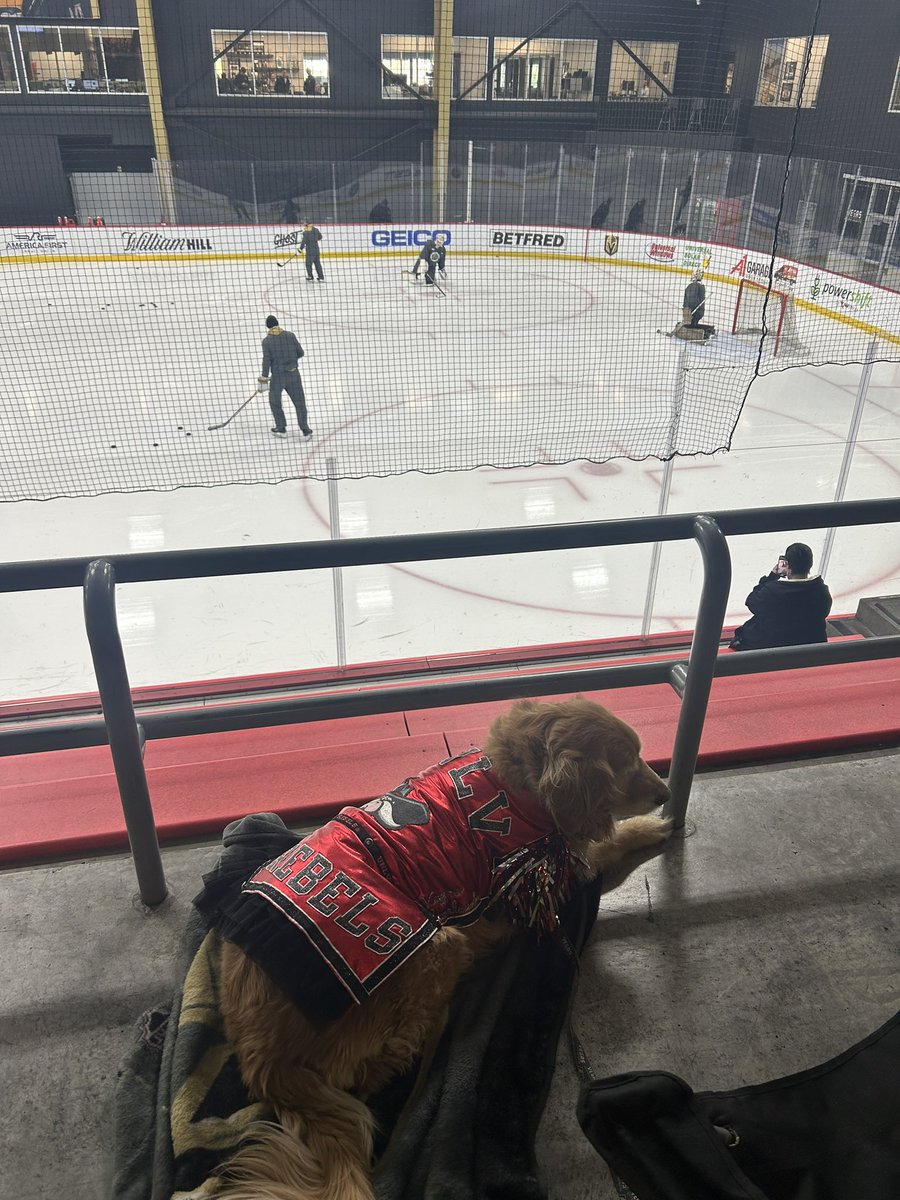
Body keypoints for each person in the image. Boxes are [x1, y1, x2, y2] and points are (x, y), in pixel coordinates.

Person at [729, 543, 832, 651]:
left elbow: (751, 602)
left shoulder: (773, 591)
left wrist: (771, 577)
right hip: (811, 645)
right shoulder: (821, 590)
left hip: (770, 645)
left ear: (786, 564)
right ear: (810, 564)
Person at [258, 315, 312, 439]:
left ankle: (281, 428)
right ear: (278, 323)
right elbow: (301, 352)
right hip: (294, 374)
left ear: (267, 326)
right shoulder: (290, 335)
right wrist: (290, 361)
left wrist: (264, 379)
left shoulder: (267, 341)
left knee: (275, 401)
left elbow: (266, 361)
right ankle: (305, 430)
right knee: (300, 402)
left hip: (278, 377)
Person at [681, 270, 716, 340]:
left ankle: (704, 334)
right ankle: (709, 330)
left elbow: (691, 300)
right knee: (692, 324)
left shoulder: (691, 286)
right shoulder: (701, 286)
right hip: (698, 311)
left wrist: (687, 310)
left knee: (689, 325)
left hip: (693, 311)